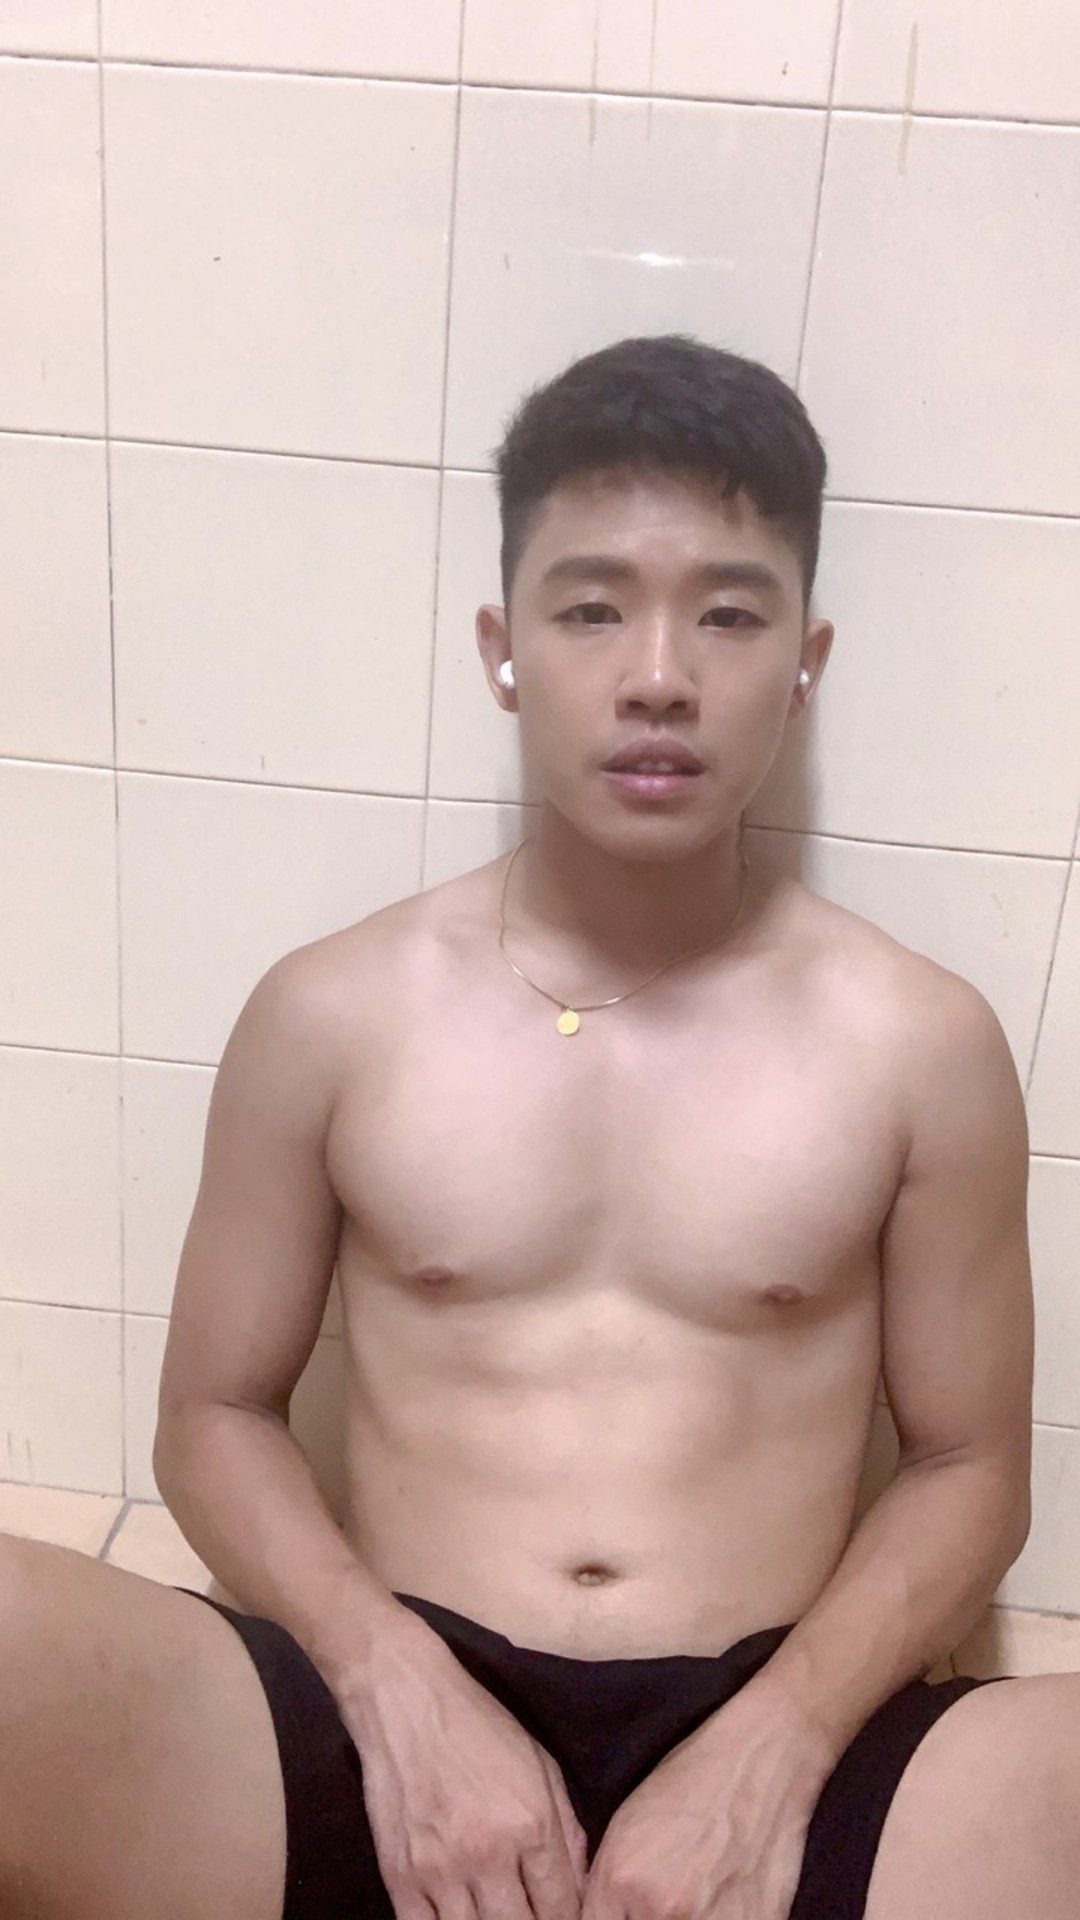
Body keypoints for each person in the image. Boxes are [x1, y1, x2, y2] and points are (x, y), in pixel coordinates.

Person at [3, 333, 1077, 1920]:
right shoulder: (332, 1011)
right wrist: (388, 1683)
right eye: (592, 609)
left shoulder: (920, 1042)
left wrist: (775, 1748)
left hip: (784, 1718)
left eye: (729, 612)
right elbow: (213, 1416)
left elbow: (972, 1465)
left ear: (807, 658)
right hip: (388, 1706)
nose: (659, 674)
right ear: (504, 649)